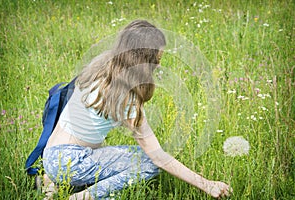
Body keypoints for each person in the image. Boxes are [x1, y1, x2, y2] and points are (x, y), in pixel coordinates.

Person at [42, 19, 232, 199]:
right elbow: (158, 157)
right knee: (147, 162)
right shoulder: (126, 97)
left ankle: (53, 183)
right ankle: (83, 197)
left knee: (127, 156)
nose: (159, 64)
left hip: (51, 156)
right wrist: (206, 184)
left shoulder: (99, 66)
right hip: (73, 162)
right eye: (157, 59)